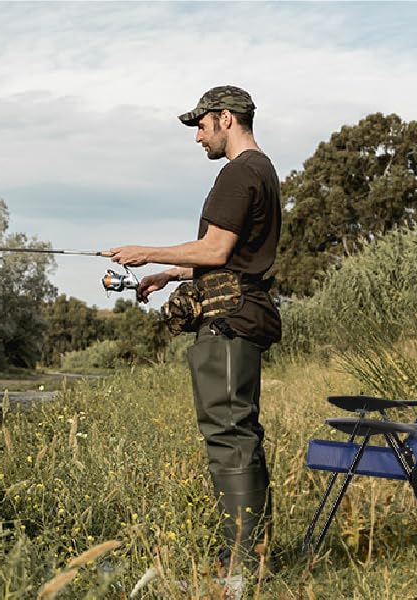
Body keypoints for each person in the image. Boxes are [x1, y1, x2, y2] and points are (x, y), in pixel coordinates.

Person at [109, 85, 282, 581]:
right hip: (244, 310)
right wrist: (170, 275)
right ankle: (250, 556)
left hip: (229, 322)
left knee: (228, 436)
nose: (198, 135)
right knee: (240, 435)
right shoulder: (263, 170)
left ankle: (243, 566)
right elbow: (235, 257)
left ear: (226, 118)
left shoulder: (237, 172)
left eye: (201, 125)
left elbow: (215, 251)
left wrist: (148, 253)